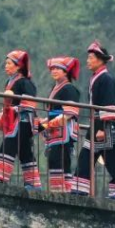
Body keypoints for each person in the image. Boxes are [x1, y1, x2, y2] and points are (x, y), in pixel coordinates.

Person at [73, 41, 115, 200]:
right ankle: (80, 189)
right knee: (87, 156)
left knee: (110, 159)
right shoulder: (96, 78)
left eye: (91, 58)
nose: (88, 61)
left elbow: (109, 105)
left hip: (104, 124)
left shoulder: (107, 79)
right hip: (96, 123)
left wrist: (102, 128)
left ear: (100, 60)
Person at [0, 50, 41, 189]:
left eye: (9, 63)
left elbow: (30, 104)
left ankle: (0, 178)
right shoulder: (10, 81)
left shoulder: (26, 82)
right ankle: (33, 184)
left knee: (8, 146)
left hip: (23, 121)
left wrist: (12, 110)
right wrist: (3, 115)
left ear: (18, 66)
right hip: (14, 121)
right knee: (25, 151)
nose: (6, 66)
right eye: (5, 63)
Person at [35, 56, 81, 193]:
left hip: (64, 131)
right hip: (54, 131)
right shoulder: (54, 88)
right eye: (52, 68)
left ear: (66, 71)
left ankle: (63, 192)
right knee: (54, 161)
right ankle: (59, 191)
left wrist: (45, 125)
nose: (54, 71)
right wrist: (43, 124)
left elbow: (70, 112)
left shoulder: (69, 89)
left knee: (61, 161)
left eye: (58, 68)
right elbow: (53, 113)